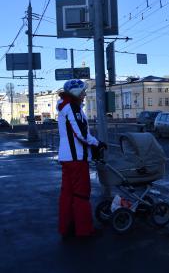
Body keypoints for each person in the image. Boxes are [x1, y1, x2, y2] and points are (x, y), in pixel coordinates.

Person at [57, 79, 107, 239]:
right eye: (83, 91)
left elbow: (78, 132)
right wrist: (97, 143)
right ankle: (84, 230)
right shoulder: (72, 107)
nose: (85, 94)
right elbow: (81, 133)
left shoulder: (65, 106)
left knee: (67, 194)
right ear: (76, 92)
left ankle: (67, 227)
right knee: (81, 194)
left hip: (67, 158)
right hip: (76, 159)